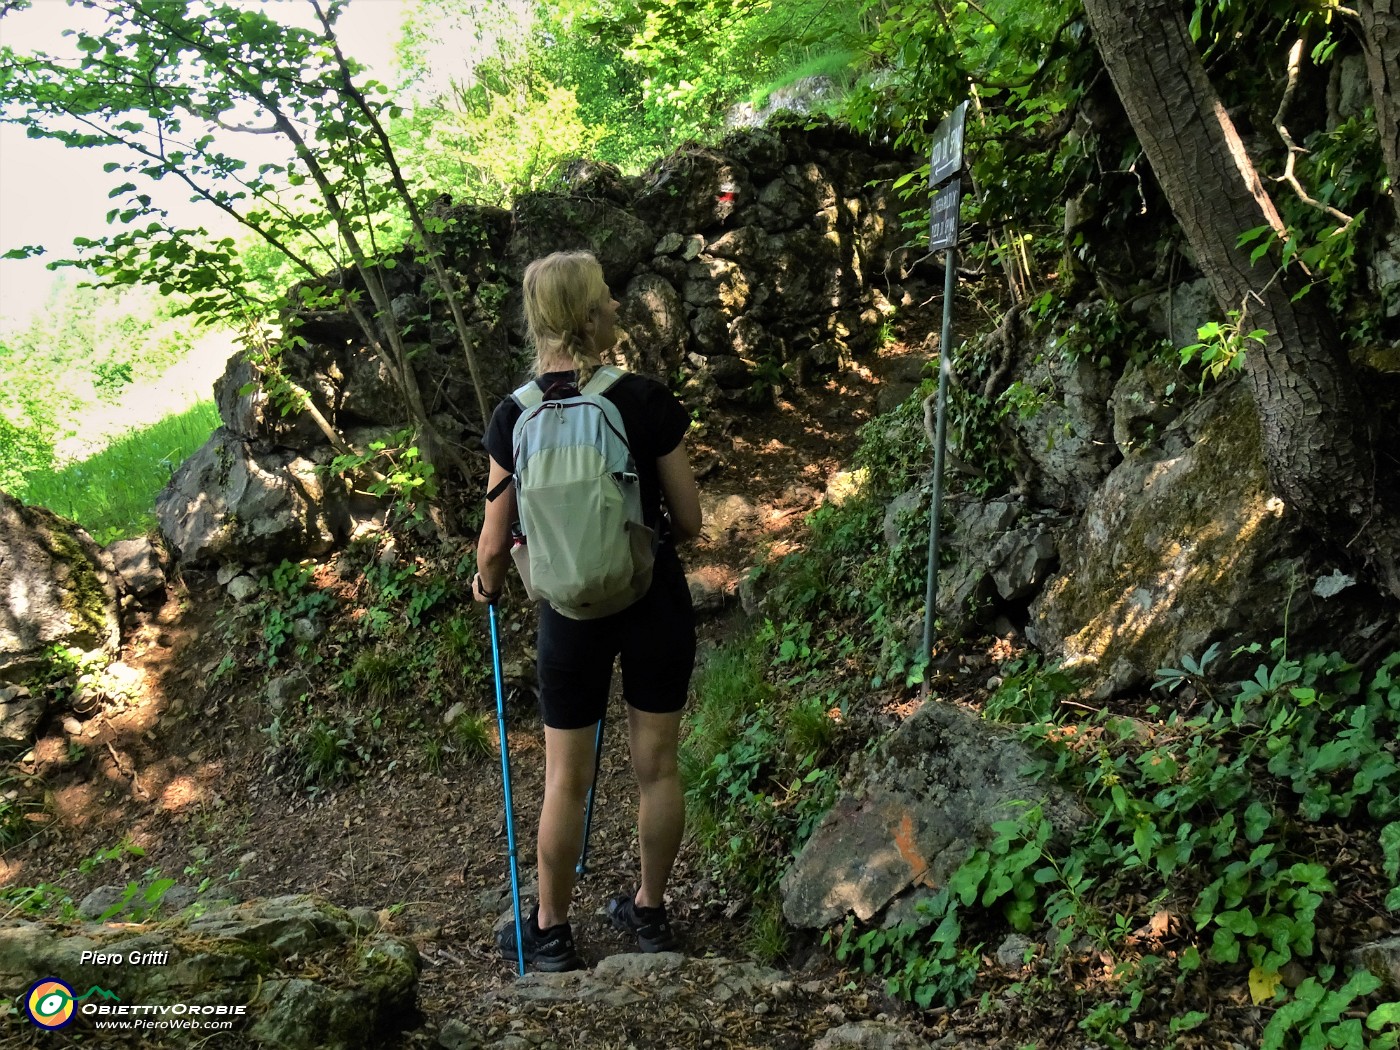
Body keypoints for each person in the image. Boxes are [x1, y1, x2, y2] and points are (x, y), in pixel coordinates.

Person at [472, 250, 703, 972]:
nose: (613, 306)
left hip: (568, 613)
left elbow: (490, 544)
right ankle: (650, 914)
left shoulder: (514, 416)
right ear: (589, 315)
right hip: (650, 596)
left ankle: (550, 932)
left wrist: (488, 584)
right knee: (657, 766)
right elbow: (691, 522)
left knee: (565, 780)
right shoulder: (644, 400)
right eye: (605, 297)